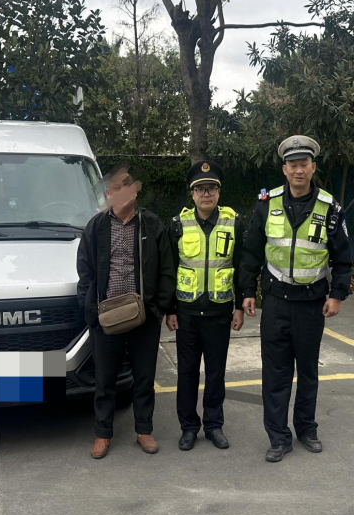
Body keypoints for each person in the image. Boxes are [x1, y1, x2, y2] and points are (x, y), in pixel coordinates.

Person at [239, 135, 353, 463]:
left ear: (313, 167)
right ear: (284, 169)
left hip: (311, 303)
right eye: (293, 165)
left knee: (307, 371)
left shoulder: (330, 208)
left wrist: (337, 294)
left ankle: (306, 429)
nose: (298, 170)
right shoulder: (267, 203)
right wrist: (247, 291)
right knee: (275, 373)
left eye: (304, 164)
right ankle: (278, 437)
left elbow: (343, 257)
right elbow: (251, 251)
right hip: (275, 301)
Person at [77, 165, 176, 459]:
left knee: (144, 378)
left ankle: (144, 430)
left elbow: (167, 268)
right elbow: (85, 271)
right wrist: (91, 310)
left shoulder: (151, 224)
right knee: (105, 380)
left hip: (143, 317)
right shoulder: (95, 227)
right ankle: (103, 434)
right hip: (106, 317)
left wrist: (158, 308)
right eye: (115, 190)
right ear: (108, 195)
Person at [166, 160, 245, 451]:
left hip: (219, 312)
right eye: (200, 189)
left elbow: (242, 266)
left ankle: (213, 426)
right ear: (192, 194)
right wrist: (169, 309)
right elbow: (169, 267)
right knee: (187, 374)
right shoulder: (178, 224)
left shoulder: (233, 222)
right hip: (186, 313)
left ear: (219, 192)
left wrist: (240, 306)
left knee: (215, 373)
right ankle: (188, 427)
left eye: (211, 188)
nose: (206, 194)